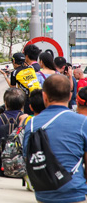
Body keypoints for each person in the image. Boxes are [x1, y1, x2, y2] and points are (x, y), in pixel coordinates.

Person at [22, 75, 87, 203]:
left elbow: (28, 159)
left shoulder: (31, 124)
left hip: (43, 193)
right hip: (74, 192)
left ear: (44, 96)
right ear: (69, 97)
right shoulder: (82, 122)